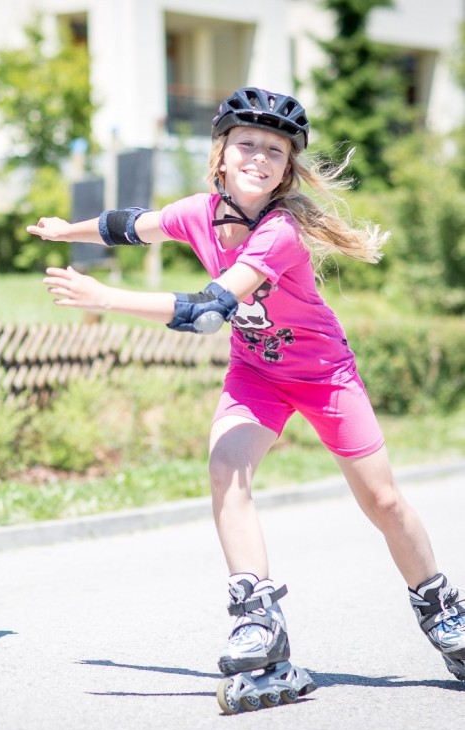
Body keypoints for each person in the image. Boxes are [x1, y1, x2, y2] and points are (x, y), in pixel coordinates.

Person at [27, 87, 465, 690]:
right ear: (222, 155)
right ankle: (257, 618)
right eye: (247, 145)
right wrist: (64, 231)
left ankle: (440, 607)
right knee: (226, 467)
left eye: (275, 152)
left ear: (287, 170)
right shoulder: (197, 212)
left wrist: (106, 299)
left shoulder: (280, 231)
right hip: (256, 373)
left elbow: (209, 310)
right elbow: (128, 226)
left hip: (323, 375)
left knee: (383, 501)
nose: (259, 158)